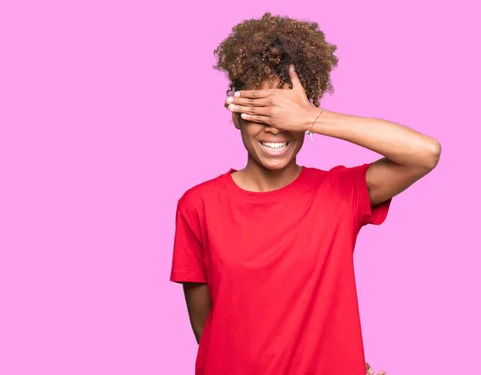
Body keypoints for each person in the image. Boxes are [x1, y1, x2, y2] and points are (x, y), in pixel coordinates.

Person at [169, 12, 440, 375]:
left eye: (286, 112)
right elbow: (208, 329)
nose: (275, 126)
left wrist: (313, 117)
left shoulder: (339, 193)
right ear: (236, 113)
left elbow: (425, 153)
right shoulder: (197, 205)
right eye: (261, 109)